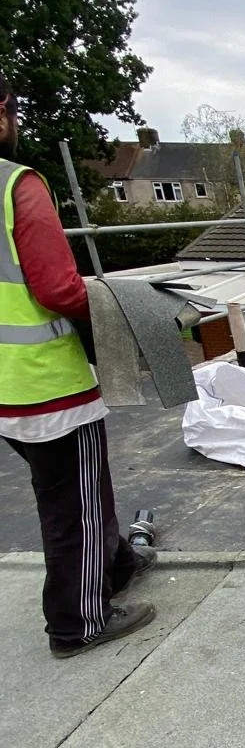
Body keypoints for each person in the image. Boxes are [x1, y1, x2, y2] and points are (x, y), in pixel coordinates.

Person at [0, 73, 155, 655]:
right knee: (75, 504)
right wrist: (123, 316)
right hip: (45, 382)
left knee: (69, 489)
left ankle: (117, 564)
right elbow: (60, 290)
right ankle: (78, 623)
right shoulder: (16, 185)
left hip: (4, 388)